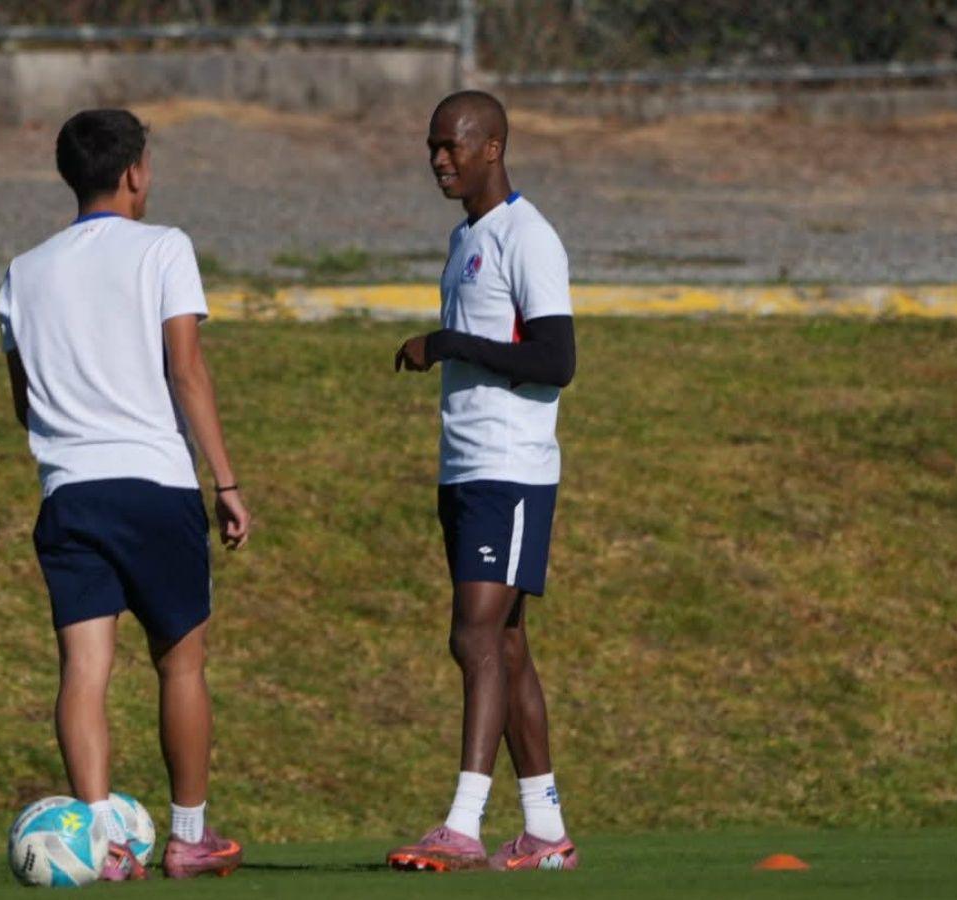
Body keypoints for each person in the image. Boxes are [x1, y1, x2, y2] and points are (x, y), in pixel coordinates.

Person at [0, 108, 250, 881]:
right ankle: (187, 837)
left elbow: (23, 400)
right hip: (155, 485)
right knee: (180, 664)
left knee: (84, 671)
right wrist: (227, 480)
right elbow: (187, 369)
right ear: (136, 170)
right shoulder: (164, 247)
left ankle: (98, 843)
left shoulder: (23, 271)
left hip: (70, 493)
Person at [387, 91, 578, 873]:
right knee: (505, 644)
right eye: (432, 145)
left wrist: (448, 343)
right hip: (465, 468)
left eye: (452, 146)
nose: (439, 158)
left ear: (492, 146)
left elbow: (556, 360)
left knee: (473, 634)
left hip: (512, 470)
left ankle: (462, 824)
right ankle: (544, 831)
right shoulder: (466, 237)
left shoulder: (528, 238)